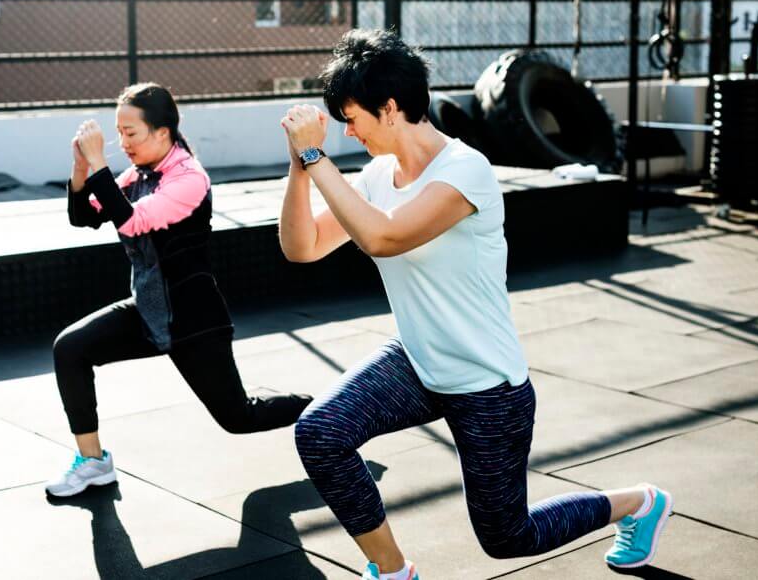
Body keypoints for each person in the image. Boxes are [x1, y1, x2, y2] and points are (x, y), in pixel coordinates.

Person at [278, 30, 672, 580]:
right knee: (320, 433)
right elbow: (303, 248)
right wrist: (300, 166)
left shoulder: (465, 171)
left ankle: (638, 502)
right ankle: (392, 572)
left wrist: (318, 156)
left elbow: (384, 238)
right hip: (416, 359)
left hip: (486, 382)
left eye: (352, 118)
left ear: (390, 108)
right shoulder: (374, 176)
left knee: (509, 538)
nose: (347, 131)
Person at [45, 82, 312, 498]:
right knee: (70, 347)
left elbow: (131, 220)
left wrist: (99, 164)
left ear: (162, 132)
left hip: (193, 320)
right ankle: (94, 462)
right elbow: (85, 218)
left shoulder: (189, 178)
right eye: (119, 133)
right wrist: (82, 170)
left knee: (238, 417)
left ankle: (326, 407)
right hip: (148, 311)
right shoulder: (138, 175)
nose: (122, 143)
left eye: (130, 133)